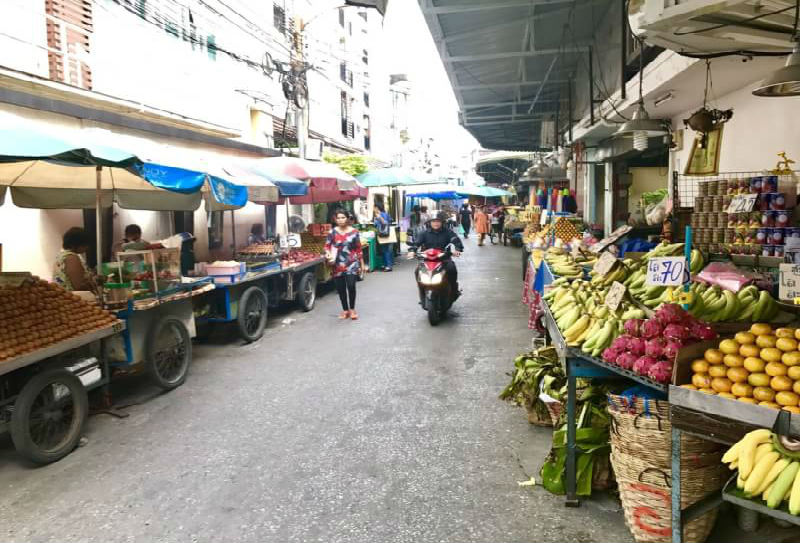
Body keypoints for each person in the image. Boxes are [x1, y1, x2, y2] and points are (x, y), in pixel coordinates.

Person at [407, 211, 464, 294]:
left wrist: (457, 249)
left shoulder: (448, 232)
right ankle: (422, 290)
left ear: (442, 222)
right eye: (433, 221)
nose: (436, 223)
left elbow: (455, 240)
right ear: (430, 223)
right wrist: (412, 251)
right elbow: (416, 243)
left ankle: (454, 290)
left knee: (452, 269)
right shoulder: (424, 233)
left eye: (438, 221)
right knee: (417, 271)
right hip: (427, 259)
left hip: (444, 259)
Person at [325, 210, 364, 320]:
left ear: (347, 218)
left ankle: (352, 309)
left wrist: (361, 264)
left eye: (343, 217)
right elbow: (327, 246)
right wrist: (328, 253)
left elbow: (358, 248)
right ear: (335, 219)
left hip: (351, 263)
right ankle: (345, 310)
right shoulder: (332, 232)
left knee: (351, 286)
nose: (341, 220)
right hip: (337, 264)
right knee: (340, 288)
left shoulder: (354, 232)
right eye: (338, 218)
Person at [54, 227, 97, 293]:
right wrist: (95, 284)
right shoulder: (71, 258)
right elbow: (79, 285)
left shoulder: (61, 255)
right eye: (84, 245)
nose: (87, 247)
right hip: (74, 298)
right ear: (76, 244)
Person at [373, 203, 395, 272]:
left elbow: (385, 222)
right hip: (383, 234)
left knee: (386, 250)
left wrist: (379, 217)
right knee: (385, 250)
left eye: (374, 208)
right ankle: (386, 265)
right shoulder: (385, 214)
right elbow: (390, 220)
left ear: (377, 208)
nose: (373, 209)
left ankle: (388, 266)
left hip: (384, 234)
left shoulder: (381, 214)